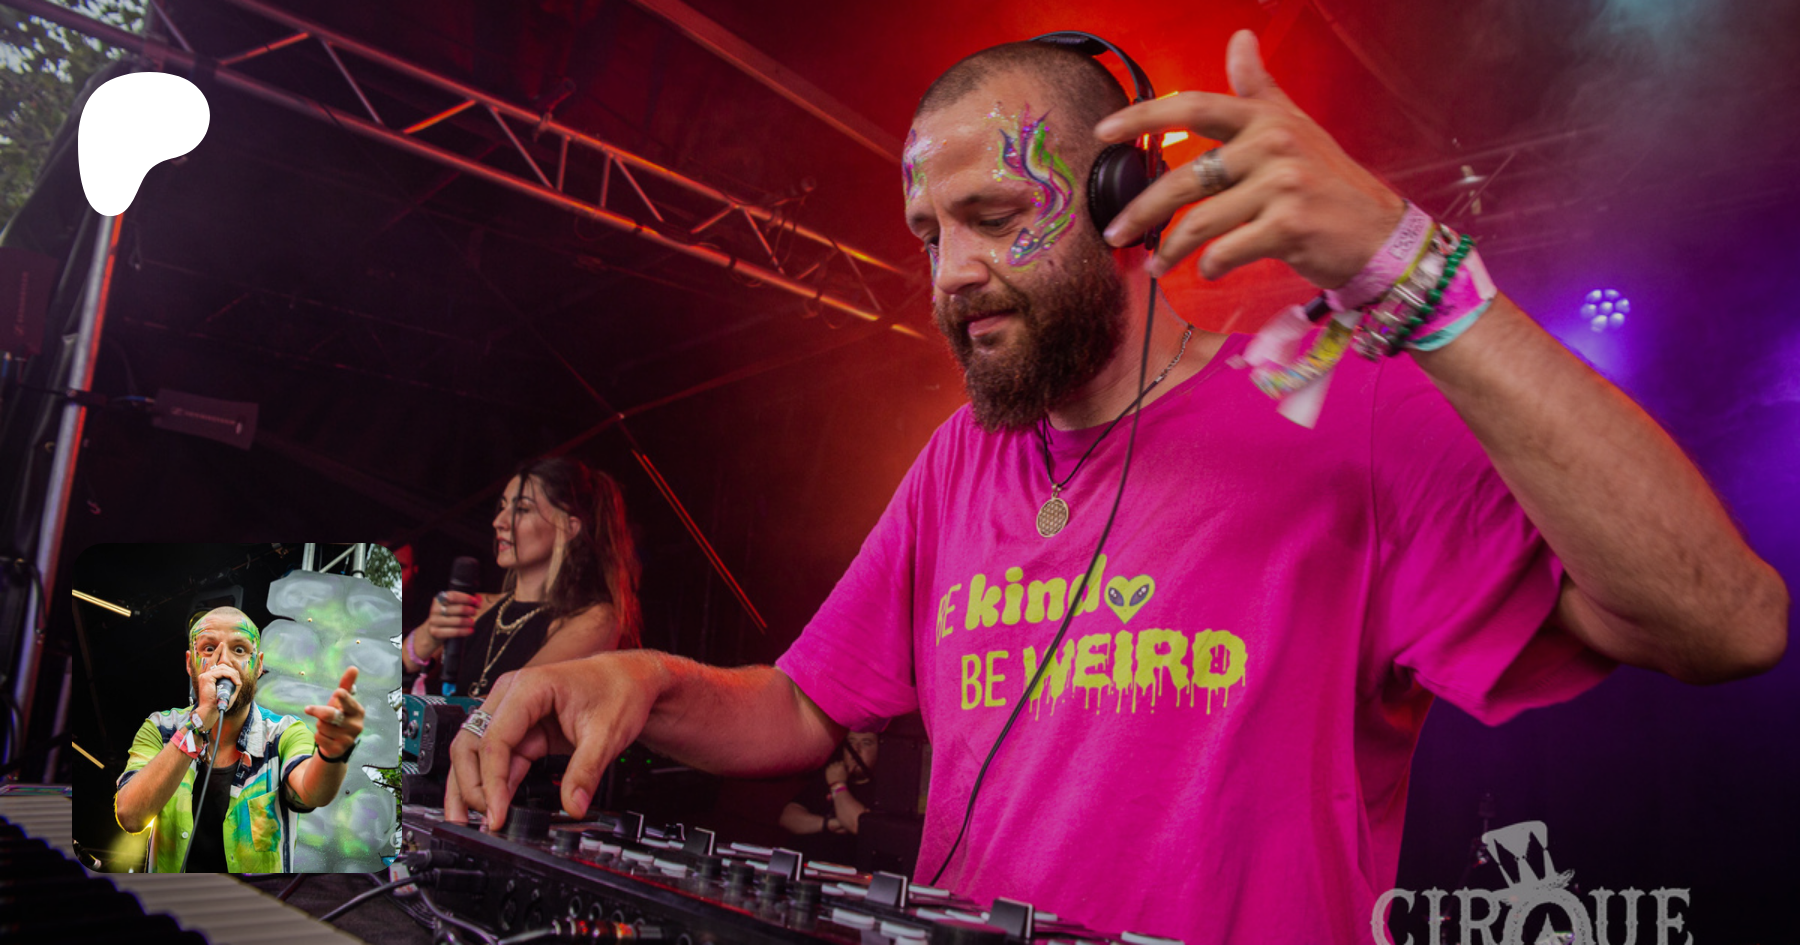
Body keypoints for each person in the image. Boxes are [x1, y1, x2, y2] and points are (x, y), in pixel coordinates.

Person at [443, 31, 1787, 942]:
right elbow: (804, 705)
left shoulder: (1345, 411)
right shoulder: (961, 457)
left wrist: (1410, 271)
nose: (949, 276)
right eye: (927, 234)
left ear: (1125, 201)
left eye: (990, 218)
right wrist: (643, 681)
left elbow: (1725, 623)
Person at [399, 457, 641, 816]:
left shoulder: (593, 620)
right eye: (502, 507)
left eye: (522, 509)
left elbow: (515, 704)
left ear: (569, 526)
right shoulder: (476, 606)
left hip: (500, 799)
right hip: (423, 787)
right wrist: (423, 639)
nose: (499, 521)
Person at [113, 606, 365, 872]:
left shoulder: (283, 733)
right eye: (209, 648)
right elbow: (130, 816)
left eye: (240, 649)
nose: (224, 661)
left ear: (259, 665)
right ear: (189, 663)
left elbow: (310, 792)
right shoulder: (160, 729)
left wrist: (332, 754)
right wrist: (200, 721)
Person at [778, 731, 878, 862]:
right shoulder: (827, 776)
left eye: (866, 743)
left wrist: (838, 785)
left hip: (846, 869)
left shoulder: (883, 790)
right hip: (805, 863)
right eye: (851, 743)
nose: (856, 750)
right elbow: (787, 818)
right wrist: (828, 824)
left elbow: (860, 826)